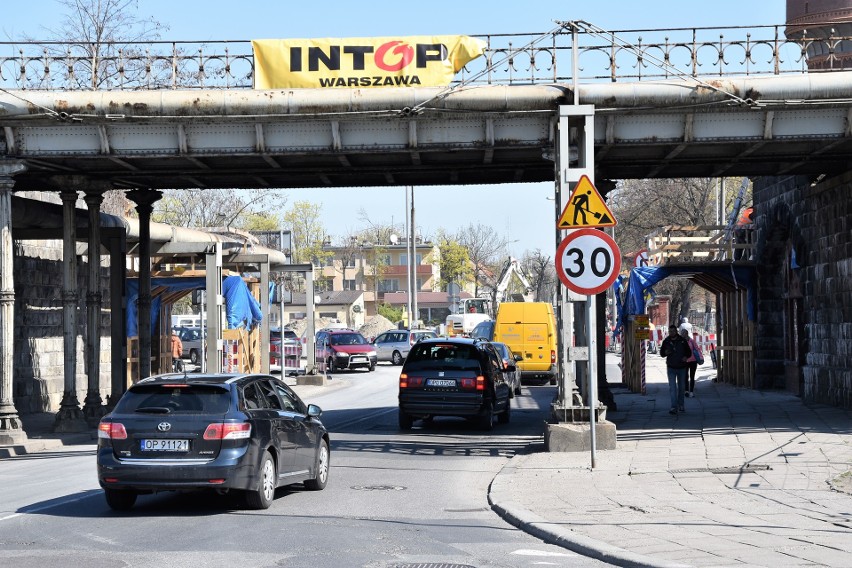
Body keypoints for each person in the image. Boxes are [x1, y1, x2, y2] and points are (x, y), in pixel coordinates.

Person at [660, 324, 690, 415]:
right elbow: (662, 353)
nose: (671, 333)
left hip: (681, 367)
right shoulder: (666, 341)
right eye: (670, 331)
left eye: (673, 331)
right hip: (671, 368)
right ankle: (673, 407)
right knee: (672, 388)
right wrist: (665, 352)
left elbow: (689, 352)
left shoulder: (682, 341)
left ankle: (681, 405)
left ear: (676, 331)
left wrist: (686, 357)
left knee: (681, 388)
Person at [681, 328, 703, 397]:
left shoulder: (692, 341)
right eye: (681, 334)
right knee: (685, 376)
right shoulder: (681, 342)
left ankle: (691, 392)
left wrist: (701, 357)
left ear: (686, 334)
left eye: (683, 334)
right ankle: (686, 391)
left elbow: (697, 349)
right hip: (685, 361)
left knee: (692, 376)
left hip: (693, 361)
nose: (682, 335)